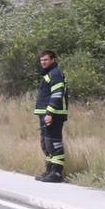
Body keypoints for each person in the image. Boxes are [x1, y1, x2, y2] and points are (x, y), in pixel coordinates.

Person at [34, 49, 67, 183]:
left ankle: (57, 173)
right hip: (46, 114)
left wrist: (49, 113)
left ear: (53, 60)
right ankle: (49, 171)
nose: (43, 62)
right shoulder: (49, 74)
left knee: (54, 143)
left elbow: (57, 94)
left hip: (54, 114)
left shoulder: (55, 73)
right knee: (46, 144)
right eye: (41, 60)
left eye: (46, 60)